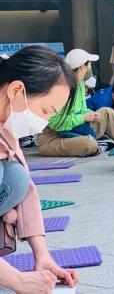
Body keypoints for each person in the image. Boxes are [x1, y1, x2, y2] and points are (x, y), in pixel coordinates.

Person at [0, 46, 80, 292]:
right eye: (45, 111)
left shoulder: (5, 122)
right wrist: (18, 281)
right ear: (16, 90)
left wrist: (42, 255)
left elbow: (25, 188)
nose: (43, 122)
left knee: (16, 177)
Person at [36, 49, 114, 157]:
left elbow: (82, 109)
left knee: (106, 112)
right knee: (89, 144)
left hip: (76, 128)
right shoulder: (60, 88)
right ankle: (99, 142)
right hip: (54, 137)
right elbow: (57, 124)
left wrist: (91, 114)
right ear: (82, 67)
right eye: (89, 65)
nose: (90, 68)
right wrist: (83, 118)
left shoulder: (80, 85)